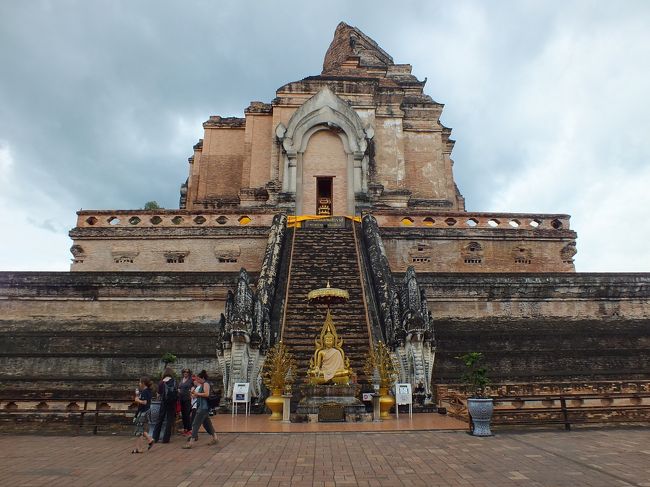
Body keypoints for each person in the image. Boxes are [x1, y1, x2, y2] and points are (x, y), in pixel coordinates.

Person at [183, 370, 218, 449]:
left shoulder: (206, 384)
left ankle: (191, 442)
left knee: (195, 424)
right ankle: (215, 438)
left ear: (202, 378)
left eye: (198, 379)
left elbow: (206, 394)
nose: (197, 380)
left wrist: (196, 393)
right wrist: (193, 393)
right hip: (202, 407)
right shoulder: (202, 384)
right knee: (207, 424)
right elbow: (198, 396)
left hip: (203, 408)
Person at [152, 367, 178, 443]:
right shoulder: (174, 381)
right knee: (169, 420)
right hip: (172, 402)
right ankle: (166, 439)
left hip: (164, 402)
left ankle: (155, 437)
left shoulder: (161, 382)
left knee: (160, 419)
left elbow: (158, 394)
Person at [132, 377, 154, 453]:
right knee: (140, 428)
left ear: (143, 383)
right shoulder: (147, 391)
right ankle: (150, 439)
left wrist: (137, 399)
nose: (139, 384)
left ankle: (139, 448)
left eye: (140, 382)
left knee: (139, 430)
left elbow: (144, 402)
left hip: (144, 412)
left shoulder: (145, 392)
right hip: (144, 411)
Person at [178, 368, 193, 436]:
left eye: (187, 372)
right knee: (183, 415)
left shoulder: (190, 380)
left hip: (187, 399)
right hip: (181, 399)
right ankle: (185, 429)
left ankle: (189, 429)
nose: (185, 373)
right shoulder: (181, 380)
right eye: (184, 372)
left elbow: (194, 387)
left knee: (187, 414)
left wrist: (191, 394)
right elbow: (179, 387)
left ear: (189, 373)